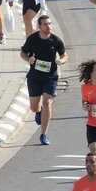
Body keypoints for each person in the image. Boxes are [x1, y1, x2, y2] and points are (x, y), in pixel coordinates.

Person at [21, 14, 67, 145]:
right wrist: (28, 59)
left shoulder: (56, 40)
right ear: (39, 26)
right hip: (34, 76)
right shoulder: (32, 39)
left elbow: (65, 55)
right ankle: (38, 112)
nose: (49, 26)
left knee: (47, 102)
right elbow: (23, 53)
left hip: (50, 77)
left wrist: (61, 60)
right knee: (34, 107)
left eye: (50, 23)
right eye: (45, 24)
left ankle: (43, 134)